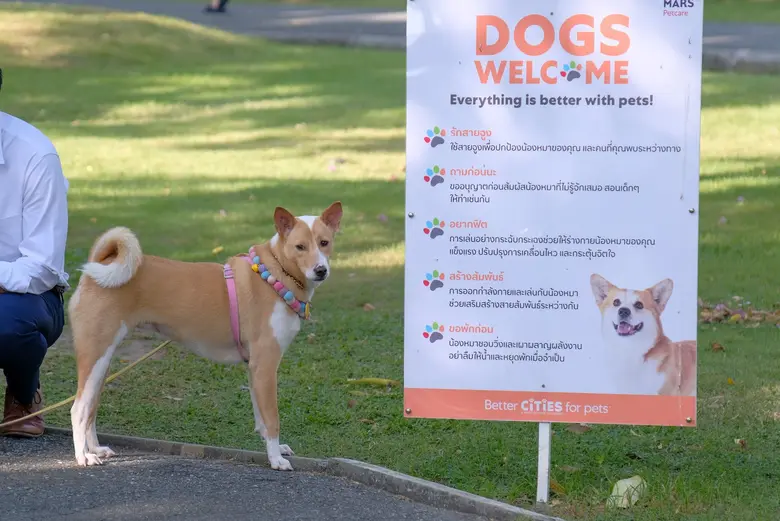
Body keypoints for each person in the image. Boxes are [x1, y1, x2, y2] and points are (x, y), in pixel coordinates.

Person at [0, 68, 69, 438]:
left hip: (28, 299)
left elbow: (43, 268)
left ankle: (24, 394)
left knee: (9, 326)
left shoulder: (35, 155)